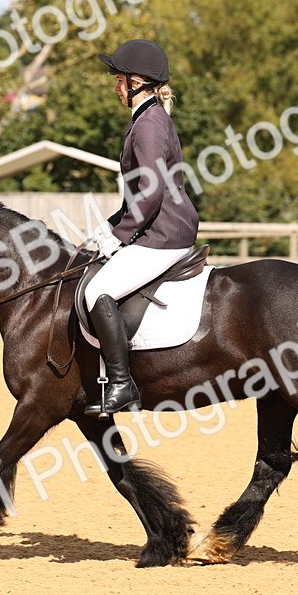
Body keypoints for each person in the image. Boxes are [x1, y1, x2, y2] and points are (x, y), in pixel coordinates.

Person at [84, 39, 200, 416]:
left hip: (163, 235)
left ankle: (121, 384)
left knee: (97, 291)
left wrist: (118, 238)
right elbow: (138, 196)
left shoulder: (149, 124)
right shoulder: (147, 119)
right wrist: (108, 227)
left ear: (136, 82)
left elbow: (149, 195)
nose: (115, 87)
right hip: (158, 229)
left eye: (118, 80)